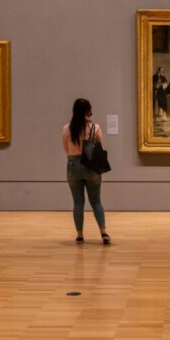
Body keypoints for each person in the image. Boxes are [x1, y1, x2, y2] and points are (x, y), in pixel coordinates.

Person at [61, 98, 110, 245]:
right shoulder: (95, 128)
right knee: (96, 202)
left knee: (77, 203)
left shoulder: (67, 129)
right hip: (91, 166)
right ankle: (103, 233)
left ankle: (80, 235)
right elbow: (100, 146)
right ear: (87, 111)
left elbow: (65, 149)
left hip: (73, 165)